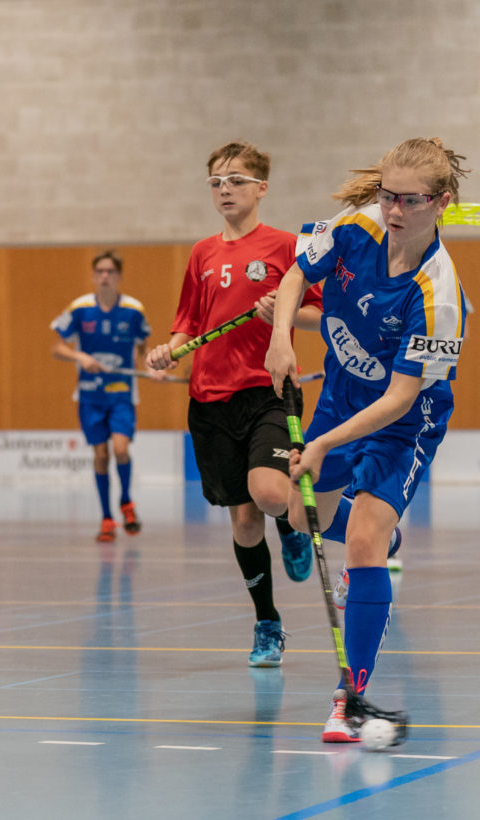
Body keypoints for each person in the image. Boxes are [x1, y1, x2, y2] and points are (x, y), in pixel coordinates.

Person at [265, 137, 471, 742]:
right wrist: (282, 336)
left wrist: (326, 445)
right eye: (388, 195)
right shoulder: (355, 227)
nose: (394, 210)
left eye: (410, 200)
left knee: (360, 540)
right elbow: (295, 277)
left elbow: (400, 399)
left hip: (404, 423)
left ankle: (348, 697)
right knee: (304, 518)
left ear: (443, 203)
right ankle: (380, 530)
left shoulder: (439, 294)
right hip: (340, 395)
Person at [145, 141, 320, 668]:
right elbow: (187, 324)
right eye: (217, 182)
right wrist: (167, 352)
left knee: (269, 494)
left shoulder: (288, 246)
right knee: (243, 524)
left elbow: (319, 314)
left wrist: (280, 314)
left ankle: (289, 526)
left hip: (268, 390)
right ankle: (267, 622)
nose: (225, 189)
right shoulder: (202, 253)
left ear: (261, 187)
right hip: (210, 399)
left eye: (237, 180)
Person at [52, 250, 158, 542]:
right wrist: (79, 356)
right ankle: (106, 518)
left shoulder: (134, 310)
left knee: (120, 450)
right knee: (100, 457)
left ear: (119, 276)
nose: (104, 276)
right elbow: (57, 348)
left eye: (110, 272)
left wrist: (152, 365)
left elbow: (142, 348)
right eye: (99, 271)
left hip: (121, 394)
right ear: (93, 275)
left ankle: (126, 500)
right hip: (89, 397)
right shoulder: (80, 308)